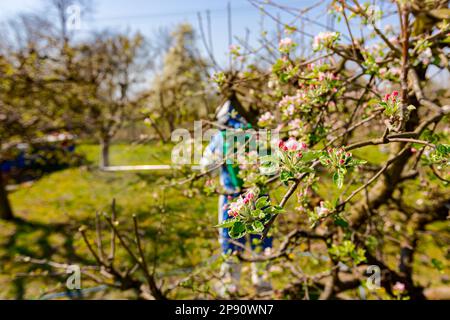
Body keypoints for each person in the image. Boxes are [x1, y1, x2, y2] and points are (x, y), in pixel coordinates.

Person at [201, 99, 272, 296]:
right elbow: (272, 167)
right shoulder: (258, 134)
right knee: (261, 238)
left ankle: (230, 286)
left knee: (231, 241)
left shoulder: (220, 136)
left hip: (231, 197)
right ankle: (263, 284)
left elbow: (205, 165)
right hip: (259, 196)